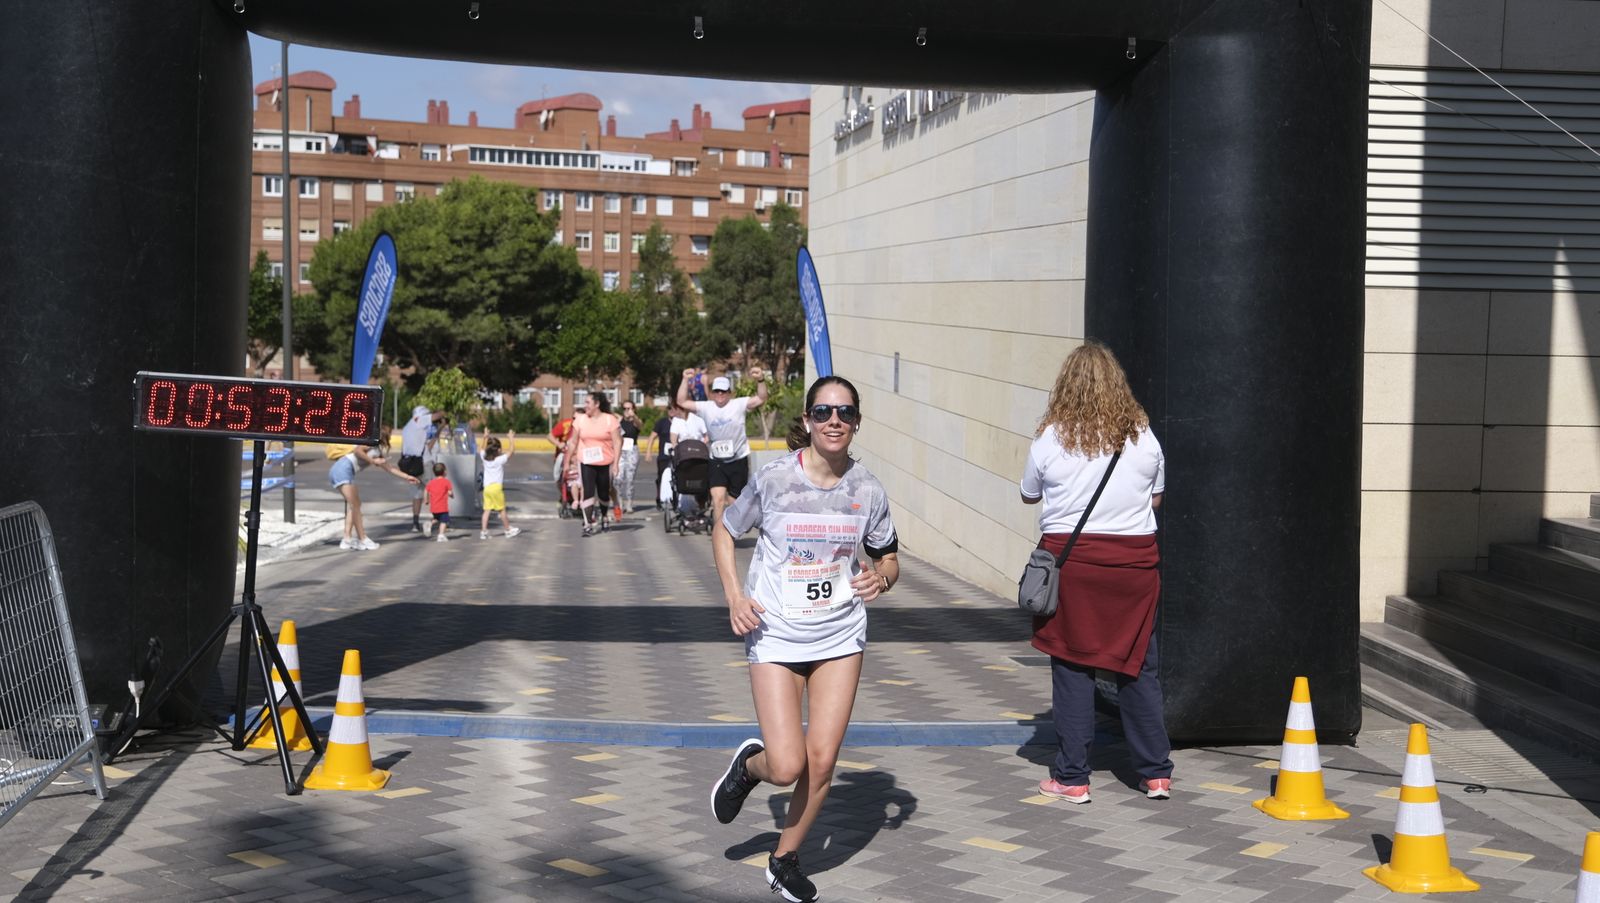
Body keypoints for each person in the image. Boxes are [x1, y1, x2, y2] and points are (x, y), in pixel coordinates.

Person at [709, 375, 899, 903]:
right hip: (775, 631)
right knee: (787, 764)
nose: (833, 421)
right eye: (822, 412)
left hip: (840, 632)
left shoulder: (868, 489)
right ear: (809, 421)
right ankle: (751, 767)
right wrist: (733, 596)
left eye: (844, 413)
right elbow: (725, 529)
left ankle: (784, 858)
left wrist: (881, 577)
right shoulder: (774, 479)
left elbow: (889, 556)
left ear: (857, 422)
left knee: (822, 758)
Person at [1020, 341, 1171, 804]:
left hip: (1074, 568)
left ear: (1065, 386)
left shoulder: (1050, 439)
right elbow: (1156, 500)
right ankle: (1156, 774)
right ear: (1117, 385)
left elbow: (1029, 494)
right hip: (1134, 569)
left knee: (1072, 667)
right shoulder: (1144, 437)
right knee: (1137, 666)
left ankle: (1072, 778)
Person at [677, 366, 767, 533]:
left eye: (723, 391)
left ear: (729, 392)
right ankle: (720, 534)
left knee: (734, 503)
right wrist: (684, 379)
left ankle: (732, 531)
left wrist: (760, 380)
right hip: (716, 460)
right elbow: (681, 401)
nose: (720, 395)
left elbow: (761, 398)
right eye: (717, 391)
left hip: (738, 458)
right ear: (712, 392)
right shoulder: (706, 407)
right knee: (718, 499)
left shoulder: (738, 404)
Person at [329, 425, 419, 550]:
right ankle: (363, 539)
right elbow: (357, 451)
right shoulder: (370, 443)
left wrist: (407, 476)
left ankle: (347, 539)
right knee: (355, 505)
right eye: (389, 434)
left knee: (354, 505)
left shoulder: (376, 450)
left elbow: (390, 468)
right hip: (343, 469)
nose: (391, 437)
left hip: (344, 470)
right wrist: (373, 462)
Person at [565, 393, 621, 536]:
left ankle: (604, 517)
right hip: (586, 461)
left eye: (588, 402)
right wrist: (567, 462)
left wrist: (616, 464)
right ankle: (587, 523)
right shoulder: (580, 420)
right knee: (588, 491)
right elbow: (573, 442)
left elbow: (617, 442)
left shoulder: (610, 420)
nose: (585, 405)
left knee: (603, 492)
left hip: (605, 462)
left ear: (597, 404)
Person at [400, 405, 444, 532]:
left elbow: (426, 447)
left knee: (417, 494)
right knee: (436, 491)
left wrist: (440, 429)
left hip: (411, 466)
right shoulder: (418, 420)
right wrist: (444, 411)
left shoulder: (407, 428)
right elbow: (437, 415)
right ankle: (439, 521)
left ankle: (415, 524)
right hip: (424, 464)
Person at [478, 431, 522, 540]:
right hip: (496, 488)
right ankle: (508, 529)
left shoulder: (484, 457)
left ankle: (483, 532)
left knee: (486, 510)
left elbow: (480, 449)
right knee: (502, 510)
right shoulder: (499, 460)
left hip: (487, 488)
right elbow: (511, 451)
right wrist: (511, 438)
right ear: (498, 450)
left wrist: (484, 437)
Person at [616, 400, 643, 516]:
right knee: (618, 479)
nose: (627, 411)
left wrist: (634, 416)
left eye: (629, 408)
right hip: (621, 452)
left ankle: (629, 504)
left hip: (632, 451)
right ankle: (619, 504)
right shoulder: (619, 420)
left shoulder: (636, 421)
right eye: (625, 409)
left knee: (630, 479)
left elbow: (640, 425)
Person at [648, 404, 676, 509]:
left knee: (677, 478)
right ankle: (659, 499)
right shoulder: (662, 422)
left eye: (674, 408)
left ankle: (675, 499)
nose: (672, 411)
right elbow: (652, 437)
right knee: (661, 478)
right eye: (669, 408)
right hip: (664, 456)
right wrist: (648, 452)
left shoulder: (680, 422)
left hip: (677, 455)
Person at [425, 461, 453, 542]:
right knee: (444, 520)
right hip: (443, 506)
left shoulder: (431, 482)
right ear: (444, 472)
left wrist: (426, 500)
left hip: (434, 506)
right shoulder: (446, 482)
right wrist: (451, 495)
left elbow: (426, 491)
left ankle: (429, 524)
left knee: (437, 518)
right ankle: (441, 535)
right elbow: (450, 492)